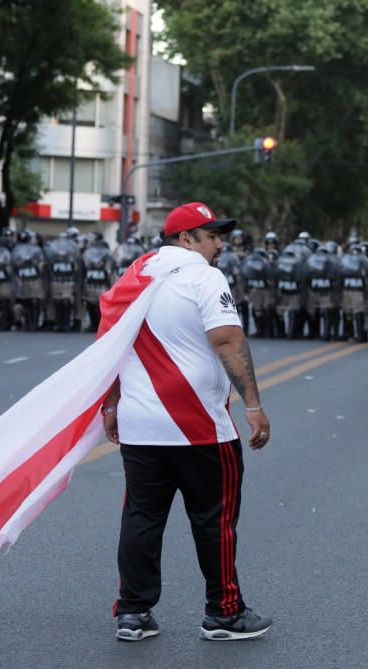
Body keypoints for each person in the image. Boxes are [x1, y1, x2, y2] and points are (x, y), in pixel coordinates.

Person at [102, 202, 273, 642]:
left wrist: (111, 404)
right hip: (199, 426)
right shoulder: (204, 276)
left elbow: (110, 345)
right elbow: (228, 341)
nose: (220, 244)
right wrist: (252, 405)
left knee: (141, 517)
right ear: (185, 239)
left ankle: (134, 614)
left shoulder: (135, 274)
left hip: (141, 426)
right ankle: (225, 613)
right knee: (214, 519)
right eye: (211, 235)